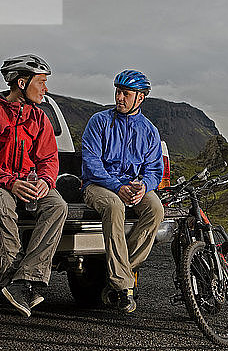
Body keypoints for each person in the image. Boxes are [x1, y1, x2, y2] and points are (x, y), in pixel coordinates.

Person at [0, 54, 68, 318]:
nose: (45, 88)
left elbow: (48, 158)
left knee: (57, 205)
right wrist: (12, 183)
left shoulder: (40, 117)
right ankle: (13, 280)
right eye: (42, 82)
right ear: (22, 82)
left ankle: (27, 278)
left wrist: (46, 182)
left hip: (27, 182)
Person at [81, 69, 164, 313]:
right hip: (97, 186)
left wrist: (143, 187)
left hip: (132, 187)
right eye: (118, 92)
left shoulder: (149, 131)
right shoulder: (99, 122)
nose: (119, 98)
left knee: (156, 209)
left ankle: (120, 271)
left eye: (125, 93)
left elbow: (154, 171)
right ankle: (122, 284)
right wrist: (118, 187)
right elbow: (91, 163)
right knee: (115, 206)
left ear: (140, 98)